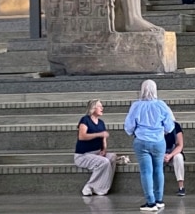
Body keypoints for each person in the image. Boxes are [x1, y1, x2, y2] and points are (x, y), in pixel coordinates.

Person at [124, 80, 175, 212]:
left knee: (146, 171)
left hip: (141, 140)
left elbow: (129, 126)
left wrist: (133, 132)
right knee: (158, 169)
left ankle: (150, 202)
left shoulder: (136, 106)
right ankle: (159, 200)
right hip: (159, 141)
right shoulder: (161, 105)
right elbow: (170, 126)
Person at [74, 99, 117, 196]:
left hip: (97, 153)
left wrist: (104, 150)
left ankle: (103, 187)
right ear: (93, 108)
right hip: (83, 155)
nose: (102, 108)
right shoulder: (85, 120)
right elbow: (82, 136)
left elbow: (103, 138)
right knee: (104, 162)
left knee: (112, 157)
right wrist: (99, 134)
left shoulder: (101, 122)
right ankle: (89, 186)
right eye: (99, 106)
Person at [164, 121, 186, 196]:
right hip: (160, 153)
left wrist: (170, 155)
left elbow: (180, 145)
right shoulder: (156, 126)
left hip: (173, 153)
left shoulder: (175, 126)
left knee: (179, 157)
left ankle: (181, 187)